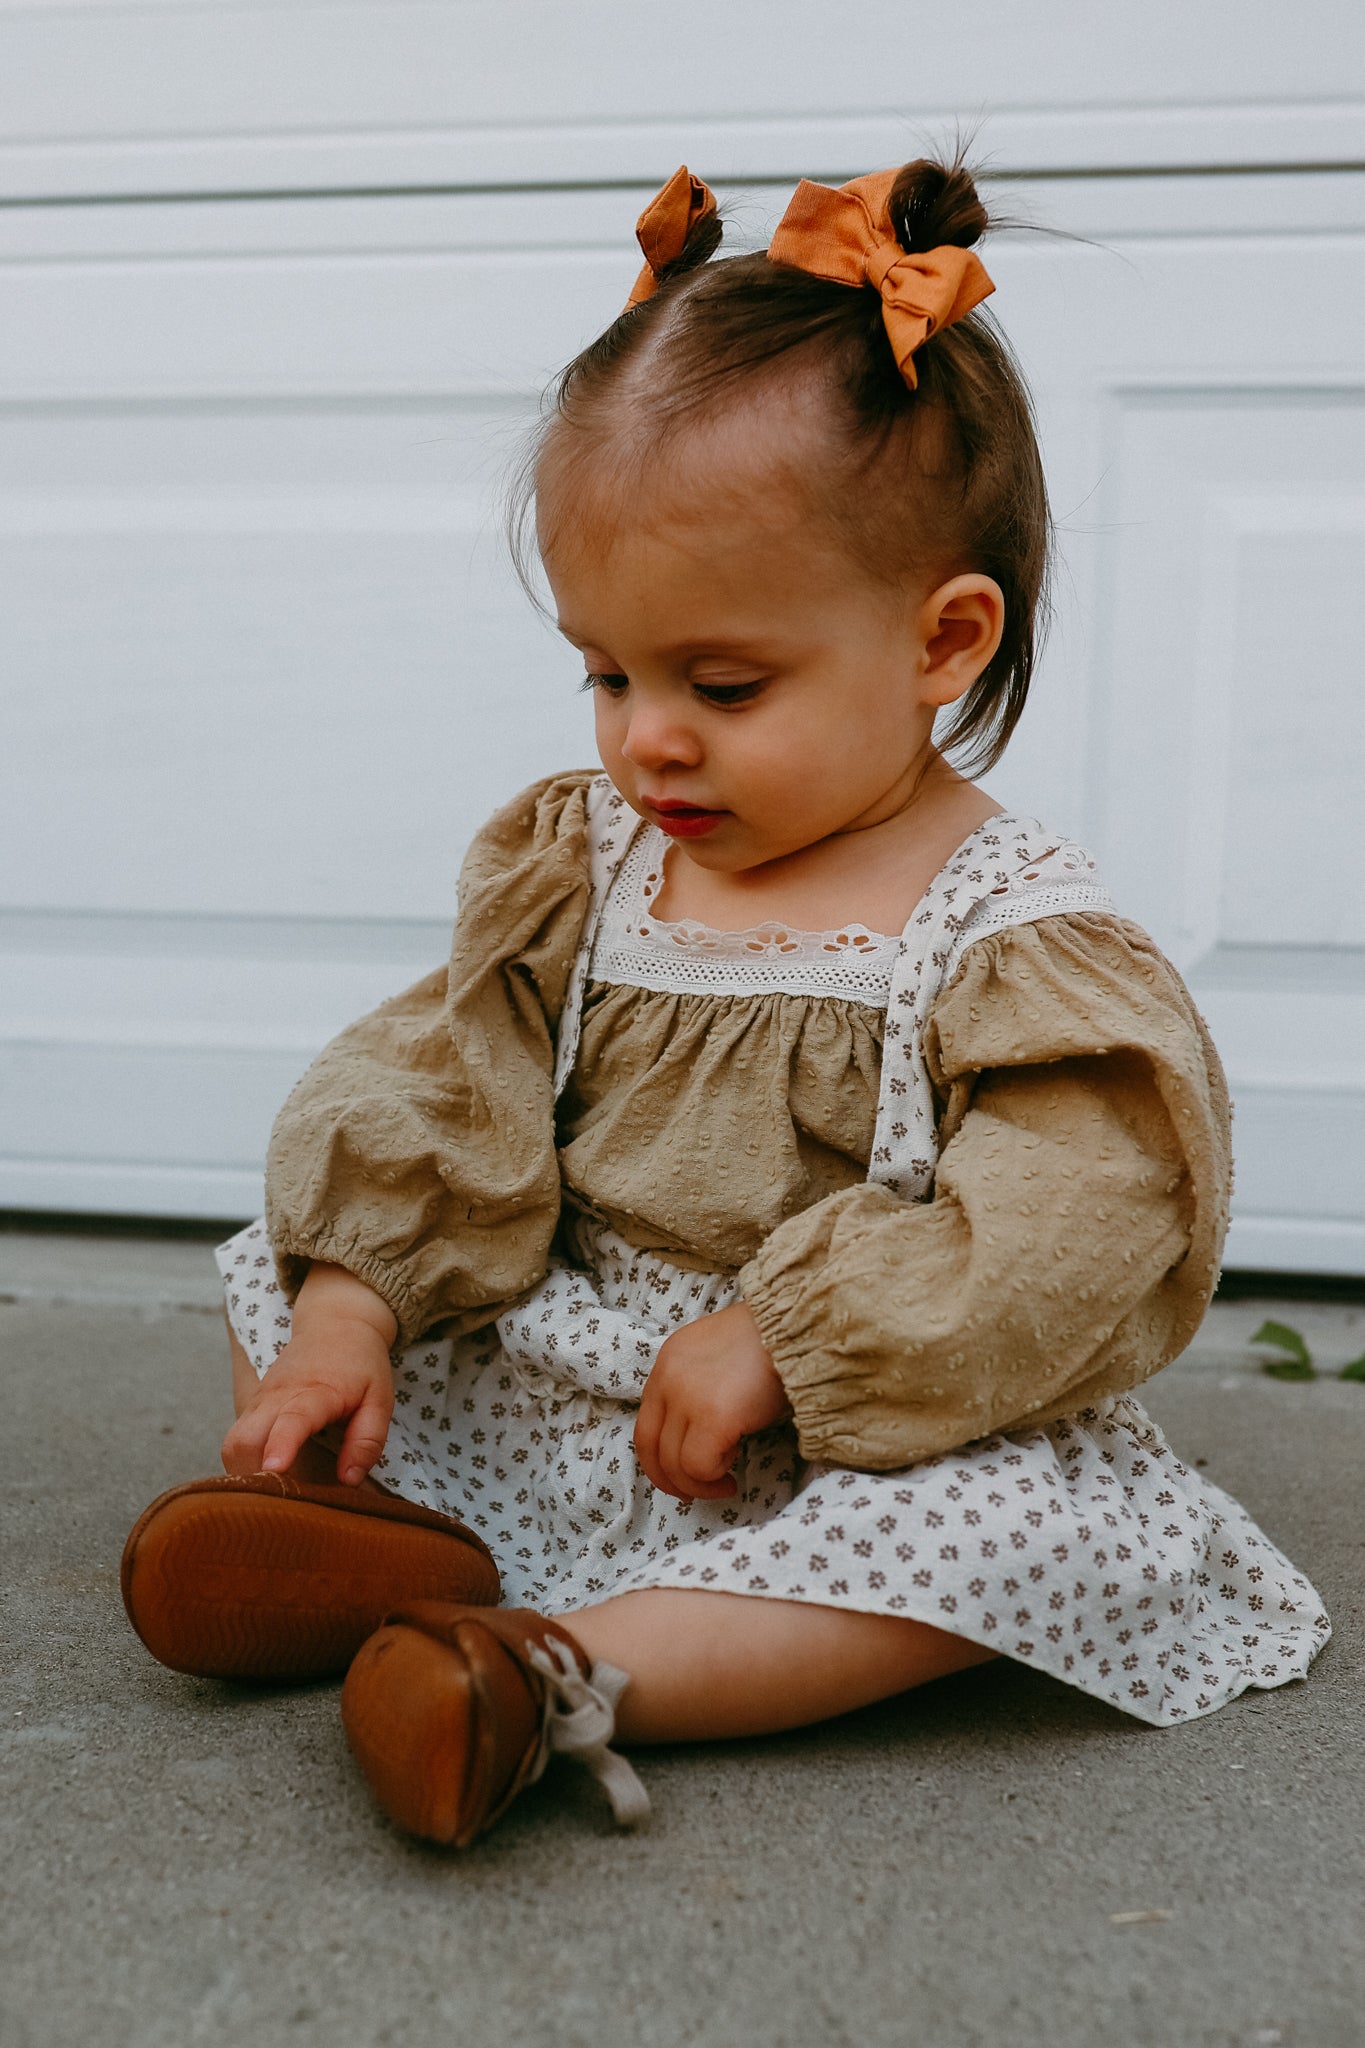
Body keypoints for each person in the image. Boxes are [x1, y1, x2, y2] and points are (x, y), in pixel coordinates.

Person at [122, 156, 1329, 1848]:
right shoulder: (588, 857)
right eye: (606, 669)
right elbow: (447, 1070)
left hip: (847, 1426)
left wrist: (788, 1338)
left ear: (942, 640)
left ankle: (551, 1672)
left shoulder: (1002, 935)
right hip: (586, 1364)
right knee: (290, 1278)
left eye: (723, 683)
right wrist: (353, 1311)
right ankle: (401, 1547)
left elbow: (1076, 1222)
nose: (646, 739)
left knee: (1014, 1535)